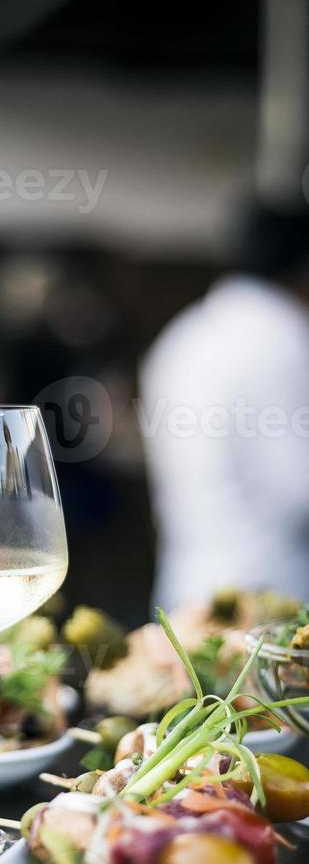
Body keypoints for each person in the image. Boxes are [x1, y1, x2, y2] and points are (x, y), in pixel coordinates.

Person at [139, 200, 309, 612]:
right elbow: (297, 488)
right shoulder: (283, 338)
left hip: (187, 583)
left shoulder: (186, 331)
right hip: (269, 594)